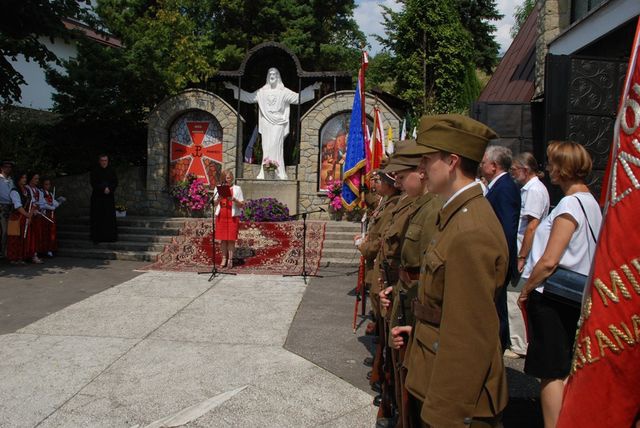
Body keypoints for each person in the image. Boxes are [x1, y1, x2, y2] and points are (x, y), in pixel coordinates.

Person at [391, 114, 509, 427]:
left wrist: (445, 414)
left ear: (452, 162)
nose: (420, 170)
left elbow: (471, 333)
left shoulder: (470, 229)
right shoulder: (457, 216)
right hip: (437, 368)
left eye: (427, 160)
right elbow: (453, 305)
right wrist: (420, 331)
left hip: (457, 398)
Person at [517, 141, 602, 428]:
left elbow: (550, 259)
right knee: (564, 367)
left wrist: (527, 289)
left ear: (563, 168)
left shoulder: (569, 204)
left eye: (553, 162)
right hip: (574, 296)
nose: (549, 168)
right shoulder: (591, 202)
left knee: (550, 371)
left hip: (553, 297)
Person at [378, 141, 442, 428]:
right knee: (400, 373)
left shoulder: (433, 209)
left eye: (403, 177)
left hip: (416, 303)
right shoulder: (417, 206)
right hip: (402, 294)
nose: (399, 183)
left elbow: (428, 267)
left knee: (413, 384)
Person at [225, 68, 320, 180]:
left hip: (278, 123)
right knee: (266, 147)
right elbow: (250, 98)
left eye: (274, 74)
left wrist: (311, 89)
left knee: (276, 145)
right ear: (267, 76)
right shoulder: (262, 92)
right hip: (266, 123)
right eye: (270, 73)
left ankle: (279, 173)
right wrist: (234, 89)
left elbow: (297, 98)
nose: (272, 75)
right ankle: (264, 172)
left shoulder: (283, 92)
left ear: (278, 76)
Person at [508, 152, 550, 357]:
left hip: (525, 252)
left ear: (525, 170)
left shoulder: (534, 191)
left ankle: (519, 344)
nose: (512, 174)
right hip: (522, 249)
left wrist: (522, 256)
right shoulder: (529, 189)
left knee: (514, 296)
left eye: (515, 170)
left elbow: (532, 225)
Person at [481, 146, 521, 353]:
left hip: (498, 259)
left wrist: (500, 260)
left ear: (494, 166)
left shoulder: (505, 188)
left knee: (497, 308)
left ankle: (498, 347)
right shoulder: (498, 186)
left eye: (484, 162)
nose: (481, 165)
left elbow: (506, 228)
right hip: (495, 257)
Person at [213, 169, 244, 268]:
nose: (228, 180)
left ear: (232, 178)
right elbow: (214, 204)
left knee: (231, 239)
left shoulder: (237, 189)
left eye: (230, 178)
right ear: (223, 179)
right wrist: (218, 199)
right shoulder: (218, 188)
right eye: (226, 178)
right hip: (221, 215)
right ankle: (224, 259)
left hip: (232, 216)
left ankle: (230, 259)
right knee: (223, 239)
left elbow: (242, 204)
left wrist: (234, 199)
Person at [6, 172, 37, 265]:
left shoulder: (27, 190)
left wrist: (31, 213)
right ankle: (15, 258)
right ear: (18, 179)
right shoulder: (14, 191)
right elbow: (18, 206)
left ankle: (23, 256)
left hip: (26, 217)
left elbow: (32, 203)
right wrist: (28, 215)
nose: (24, 179)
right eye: (22, 177)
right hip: (16, 218)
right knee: (16, 238)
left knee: (25, 238)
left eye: (25, 177)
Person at [90, 154, 118, 243]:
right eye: (102, 160)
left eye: (105, 160)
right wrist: (103, 188)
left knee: (108, 217)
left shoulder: (112, 170)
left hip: (108, 198)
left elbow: (115, 182)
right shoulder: (95, 171)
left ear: (108, 161)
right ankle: (98, 237)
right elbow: (93, 183)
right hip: (97, 198)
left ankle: (110, 237)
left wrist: (109, 188)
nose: (104, 162)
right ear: (99, 161)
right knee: (98, 217)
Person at [39, 178, 64, 257]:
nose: (48, 186)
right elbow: (42, 204)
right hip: (44, 216)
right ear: (43, 185)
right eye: (46, 184)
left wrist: (58, 202)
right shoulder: (41, 193)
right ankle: (43, 250)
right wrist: (51, 207)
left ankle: (50, 249)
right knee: (44, 233)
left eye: (49, 184)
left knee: (51, 232)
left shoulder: (50, 193)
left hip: (51, 216)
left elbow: (55, 203)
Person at [25, 172, 45, 263]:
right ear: (31, 179)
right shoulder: (27, 189)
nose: (37, 180)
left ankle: (34, 254)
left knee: (36, 235)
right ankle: (29, 254)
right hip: (29, 215)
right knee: (29, 236)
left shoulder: (38, 190)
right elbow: (30, 201)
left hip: (37, 216)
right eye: (35, 178)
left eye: (38, 179)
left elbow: (41, 202)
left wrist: (40, 210)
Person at [0, 160, 15, 259]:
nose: (8, 168)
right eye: (6, 166)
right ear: (1, 168)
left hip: (11, 206)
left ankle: (6, 251)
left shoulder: (11, 180)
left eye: (9, 167)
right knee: (3, 230)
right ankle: (2, 251)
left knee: (11, 230)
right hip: (1, 206)